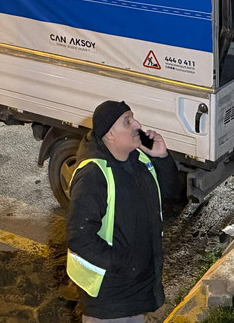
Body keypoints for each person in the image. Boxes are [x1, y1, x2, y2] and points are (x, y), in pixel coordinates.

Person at [67, 100, 180, 322]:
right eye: (127, 122)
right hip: (110, 295)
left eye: (133, 118)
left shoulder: (140, 161)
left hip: (138, 288)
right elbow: (79, 236)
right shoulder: (93, 174)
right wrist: (124, 263)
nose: (136, 124)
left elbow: (170, 194)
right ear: (110, 134)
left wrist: (161, 157)